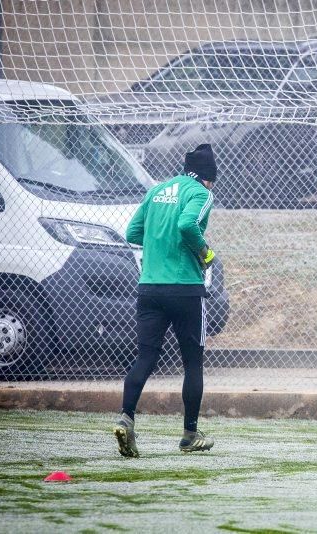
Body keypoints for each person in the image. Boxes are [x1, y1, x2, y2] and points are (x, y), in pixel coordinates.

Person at [114, 144, 218, 458]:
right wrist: (205, 253)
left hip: (149, 288)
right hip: (185, 288)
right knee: (192, 363)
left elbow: (133, 232)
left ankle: (125, 418)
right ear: (207, 178)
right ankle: (189, 433)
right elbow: (187, 225)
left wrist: (159, 244)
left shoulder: (157, 190)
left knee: (145, 358)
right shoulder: (201, 193)